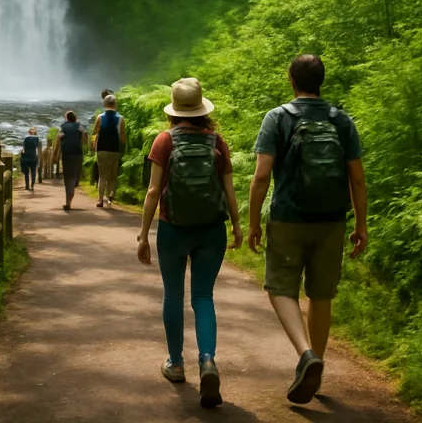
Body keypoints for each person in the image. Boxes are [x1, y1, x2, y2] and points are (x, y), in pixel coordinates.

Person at [247, 54, 368, 405]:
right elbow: (357, 179)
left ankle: (305, 355)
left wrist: (254, 222)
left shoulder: (278, 117)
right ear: (322, 81)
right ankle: (318, 366)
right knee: (321, 294)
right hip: (332, 220)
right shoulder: (341, 120)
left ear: (291, 80)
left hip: (288, 217)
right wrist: (361, 224)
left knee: (280, 288)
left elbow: (261, 176)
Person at [137, 77, 241, 409]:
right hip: (212, 230)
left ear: (174, 109)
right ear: (201, 108)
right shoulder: (217, 141)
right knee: (203, 296)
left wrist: (142, 235)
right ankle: (208, 359)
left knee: (173, 295)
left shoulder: (164, 141)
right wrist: (238, 226)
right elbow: (229, 190)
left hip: (173, 229)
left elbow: (153, 192)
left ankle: (176, 364)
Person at [91, 92, 126, 207]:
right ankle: (110, 197)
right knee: (113, 175)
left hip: (102, 149)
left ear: (104, 103)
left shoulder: (100, 117)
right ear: (115, 104)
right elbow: (122, 137)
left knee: (102, 176)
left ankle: (100, 200)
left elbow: (94, 132)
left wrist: (93, 144)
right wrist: (123, 148)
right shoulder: (121, 119)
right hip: (115, 150)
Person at [57, 111, 85, 210]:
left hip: (66, 155)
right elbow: (85, 140)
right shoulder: (80, 127)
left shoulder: (62, 127)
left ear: (66, 118)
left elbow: (58, 141)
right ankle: (70, 195)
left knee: (67, 177)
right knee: (74, 176)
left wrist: (55, 156)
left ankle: (68, 201)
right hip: (77, 154)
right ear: (75, 118)